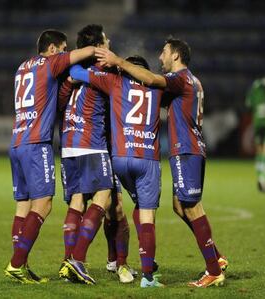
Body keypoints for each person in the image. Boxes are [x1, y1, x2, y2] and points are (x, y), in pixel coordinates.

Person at [96, 37, 228, 288]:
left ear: (176, 56)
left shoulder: (180, 78)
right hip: (190, 149)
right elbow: (152, 94)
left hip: (186, 149)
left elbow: (154, 81)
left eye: (164, 52)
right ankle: (216, 257)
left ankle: (214, 269)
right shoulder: (192, 82)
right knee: (180, 206)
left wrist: (119, 62)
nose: (160, 57)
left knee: (192, 208)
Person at [4, 29, 96, 284]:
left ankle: (20, 264)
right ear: (54, 49)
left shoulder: (23, 68)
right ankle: (16, 263)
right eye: (64, 48)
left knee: (23, 206)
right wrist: (100, 51)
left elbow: (46, 99)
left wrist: (66, 84)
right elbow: (84, 52)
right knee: (43, 204)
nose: (66, 53)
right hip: (36, 144)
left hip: (17, 142)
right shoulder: (50, 62)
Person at [68, 55, 165, 288]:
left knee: (118, 208)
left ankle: (117, 261)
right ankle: (144, 272)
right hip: (146, 157)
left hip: (119, 156)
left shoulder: (115, 82)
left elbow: (76, 72)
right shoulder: (158, 87)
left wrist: (101, 61)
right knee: (140, 212)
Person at [57, 24, 136, 284]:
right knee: (104, 198)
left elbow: (61, 100)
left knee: (77, 201)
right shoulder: (106, 69)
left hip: (69, 143)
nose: (110, 41)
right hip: (92, 142)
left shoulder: (71, 73)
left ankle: (68, 262)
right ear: (98, 47)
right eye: (105, 40)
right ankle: (77, 259)